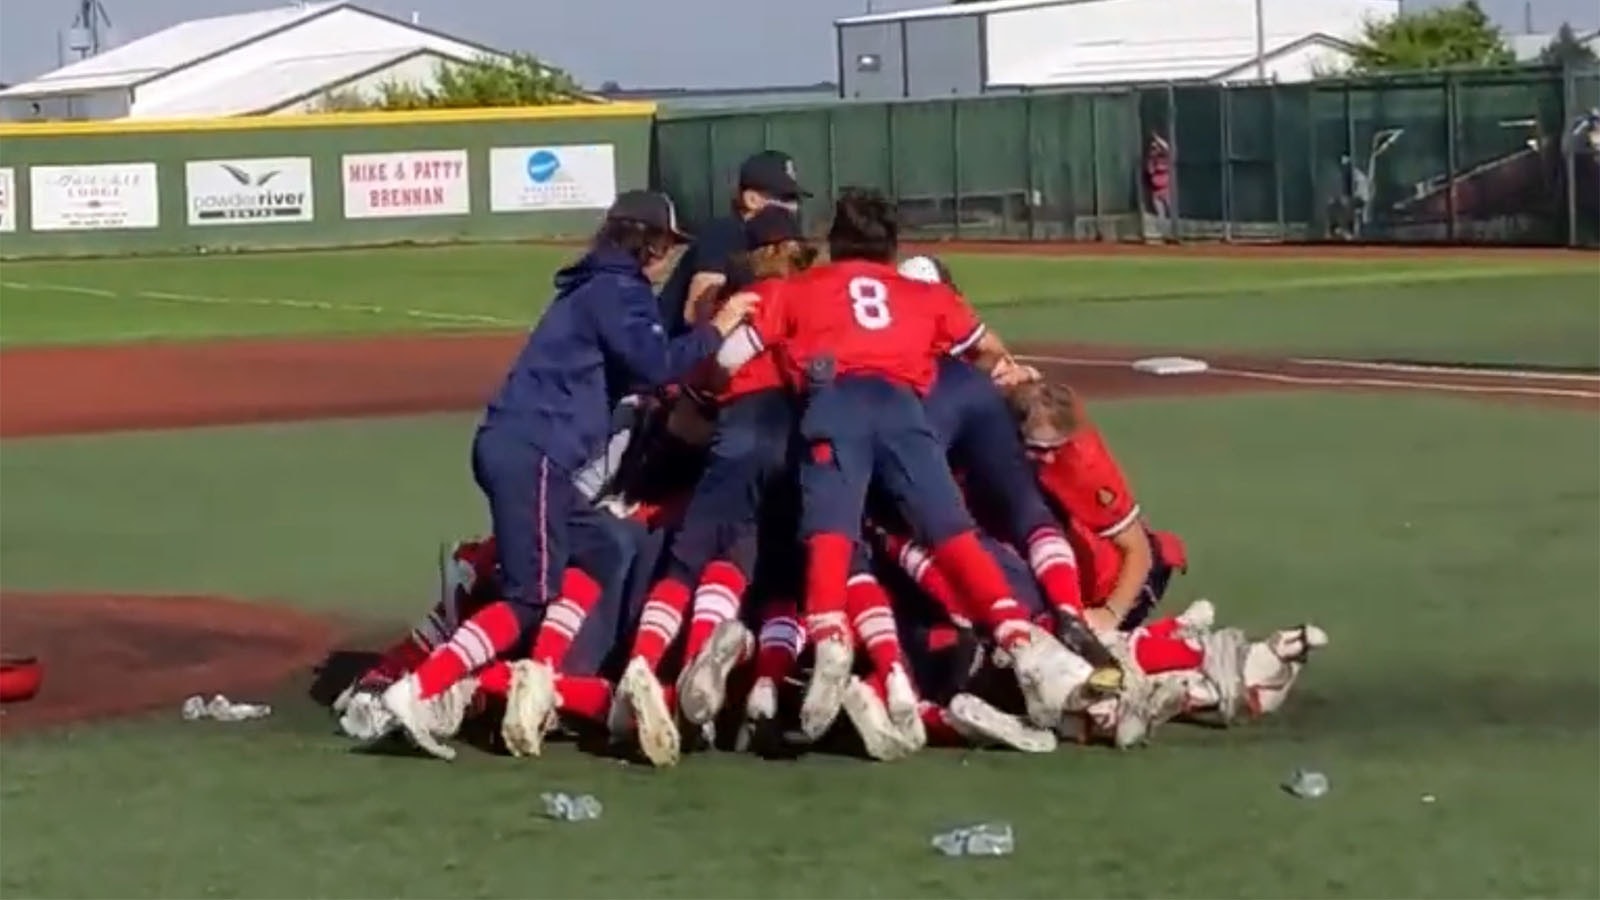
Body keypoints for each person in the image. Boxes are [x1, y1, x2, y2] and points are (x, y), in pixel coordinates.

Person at [375, 191, 755, 761]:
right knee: (532, 596)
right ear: (647, 242)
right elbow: (655, 366)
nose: (667, 260)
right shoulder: (617, 291)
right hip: (537, 454)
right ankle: (427, 687)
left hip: (528, 449)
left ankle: (531, 669)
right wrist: (718, 329)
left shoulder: (595, 284)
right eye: (666, 247)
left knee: (602, 545)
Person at [718, 188, 1093, 740]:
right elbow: (988, 349)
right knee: (950, 531)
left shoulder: (801, 288)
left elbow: (732, 353)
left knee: (831, 528)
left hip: (836, 402)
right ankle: (1019, 639)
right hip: (903, 410)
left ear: (834, 242)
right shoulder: (924, 296)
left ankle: (829, 643)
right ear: (891, 248)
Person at [655, 150, 809, 337]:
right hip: (678, 352)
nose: (794, 207)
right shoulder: (723, 234)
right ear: (751, 199)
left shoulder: (772, 241)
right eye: (785, 199)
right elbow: (695, 314)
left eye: (795, 200)